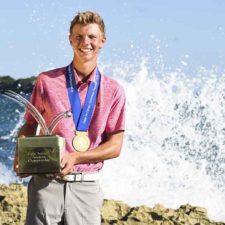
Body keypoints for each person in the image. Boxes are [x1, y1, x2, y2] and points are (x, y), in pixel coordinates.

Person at [14, 11, 126, 225]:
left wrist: (76, 157)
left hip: (86, 188)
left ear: (102, 41)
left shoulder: (114, 91)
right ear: (70, 39)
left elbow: (115, 146)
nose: (86, 42)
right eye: (79, 36)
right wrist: (20, 154)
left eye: (92, 37)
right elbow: (29, 125)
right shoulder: (46, 81)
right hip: (46, 185)